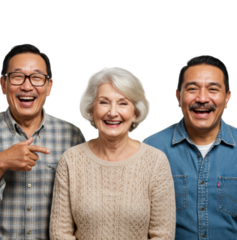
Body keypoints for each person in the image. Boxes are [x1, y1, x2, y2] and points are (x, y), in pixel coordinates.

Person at [0, 43, 86, 239]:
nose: (26, 86)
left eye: (37, 78)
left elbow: (83, 206)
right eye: (17, 76)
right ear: (3, 84)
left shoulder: (72, 135)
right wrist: (0, 163)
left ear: (49, 87)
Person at [50, 65, 176, 240]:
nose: (112, 112)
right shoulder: (71, 160)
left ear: (135, 112)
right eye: (104, 102)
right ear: (91, 110)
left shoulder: (155, 162)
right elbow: (60, 233)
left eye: (123, 103)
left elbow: (163, 235)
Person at [143, 54, 234, 239]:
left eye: (212, 89)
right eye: (192, 89)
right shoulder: (150, 149)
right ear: (178, 96)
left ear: (227, 97)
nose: (202, 98)